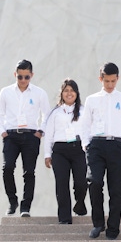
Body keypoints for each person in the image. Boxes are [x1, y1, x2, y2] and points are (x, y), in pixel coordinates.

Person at [79, 62, 121, 239]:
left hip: (118, 146)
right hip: (96, 145)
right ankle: (98, 223)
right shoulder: (92, 99)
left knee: (116, 189)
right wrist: (86, 145)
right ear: (100, 79)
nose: (110, 85)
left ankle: (113, 228)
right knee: (94, 182)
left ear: (117, 78)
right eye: (106, 81)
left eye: (113, 81)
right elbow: (85, 124)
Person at [0, 59, 51, 217]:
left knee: (29, 172)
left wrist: (40, 132)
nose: (23, 80)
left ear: (32, 75)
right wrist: (2, 131)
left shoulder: (39, 93)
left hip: (30, 135)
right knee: (8, 168)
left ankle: (25, 206)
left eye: (27, 77)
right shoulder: (5, 92)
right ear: (15, 75)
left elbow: (46, 114)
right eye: (20, 77)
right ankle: (12, 201)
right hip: (11, 135)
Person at [43, 79, 89, 224]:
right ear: (62, 93)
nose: (69, 93)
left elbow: (89, 131)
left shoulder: (83, 110)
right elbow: (49, 134)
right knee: (62, 183)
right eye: (66, 90)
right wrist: (47, 154)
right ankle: (64, 217)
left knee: (81, 182)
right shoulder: (55, 112)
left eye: (72, 90)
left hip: (79, 149)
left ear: (77, 93)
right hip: (60, 151)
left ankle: (80, 203)